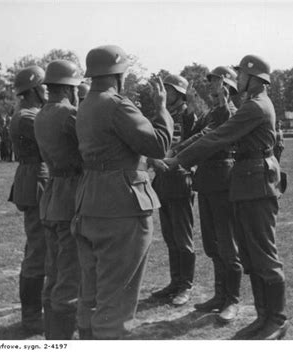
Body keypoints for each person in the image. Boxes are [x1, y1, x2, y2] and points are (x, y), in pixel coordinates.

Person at [164, 55, 288, 340]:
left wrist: (177, 160)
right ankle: (264, 317)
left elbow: (218, 137)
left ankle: (277, 320)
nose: (237, 78)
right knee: (252, 254)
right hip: (248, 182)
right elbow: (212, 133)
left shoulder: (255, 106)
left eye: (240, 74)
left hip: (256, 184)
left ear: (253, 77)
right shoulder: (251, 105)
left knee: (264, 256)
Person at [72, 45, 173, 339]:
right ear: (119, 74)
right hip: (121, 209)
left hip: (89, 203)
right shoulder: (116, 105)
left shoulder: (86, 104)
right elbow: (158, 145)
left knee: (90, 299)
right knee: (115, 305)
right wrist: (162, 109)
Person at [172, 66, 241, 323]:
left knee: (227, 243)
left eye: (215, 83)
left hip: (224, 181)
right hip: (208, 181)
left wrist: (223, 102)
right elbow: (196, 133)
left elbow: (220, 129)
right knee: (212, 244)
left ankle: (232, 299)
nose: (210, 86)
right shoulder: (212, 112)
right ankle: (220, 294)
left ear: (228, 87)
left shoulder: (232, 111)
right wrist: (189, 109)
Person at [33, 60, 83, 340]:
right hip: (70, 197)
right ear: (68, 88)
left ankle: (52, 336)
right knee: (70, 276)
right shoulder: (70, 114)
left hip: (51, 196)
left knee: (53, 273)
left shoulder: (41, 114)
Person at [149, 74, 197, 306]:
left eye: (168, 90)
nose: (164, 94)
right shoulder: (162, 115)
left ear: (179, 93)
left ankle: (185, 286)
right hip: (162, 182)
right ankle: (175, 281)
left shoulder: (189, 115)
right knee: (170, 236)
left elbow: (194, 144)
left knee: (183, 237)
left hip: (180, 179)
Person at [9, 65, 49, 334]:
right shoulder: (29, 117)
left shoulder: (29, 113)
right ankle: (32, 316)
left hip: (35, 177)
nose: (48, 89)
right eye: (45, 85)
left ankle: (35, 310)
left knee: (39, 245)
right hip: (36, 180)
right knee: (38, 249)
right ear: (34, 89)